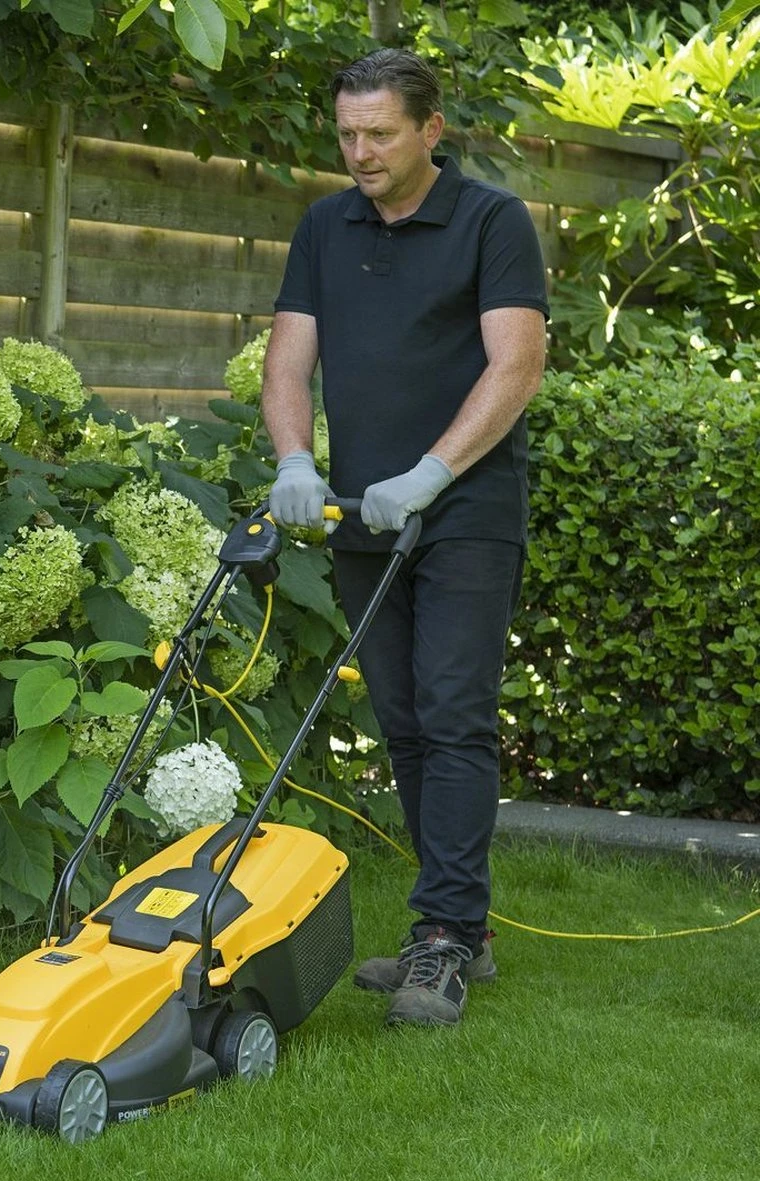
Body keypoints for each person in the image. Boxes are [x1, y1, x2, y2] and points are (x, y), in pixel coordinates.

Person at [262, 48, 548, 1027]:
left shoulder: (492, 223)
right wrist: (295, 461)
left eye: (380, 133)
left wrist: (432, 471)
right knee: (405, 722)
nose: (361, 152)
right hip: (362, 514)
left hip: (465, 510)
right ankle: (463, 927)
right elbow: (287, 364)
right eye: (347, 133)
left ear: (431, 130)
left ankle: (443, 937)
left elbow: (517, 366)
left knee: (455, 713)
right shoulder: (324, 227)